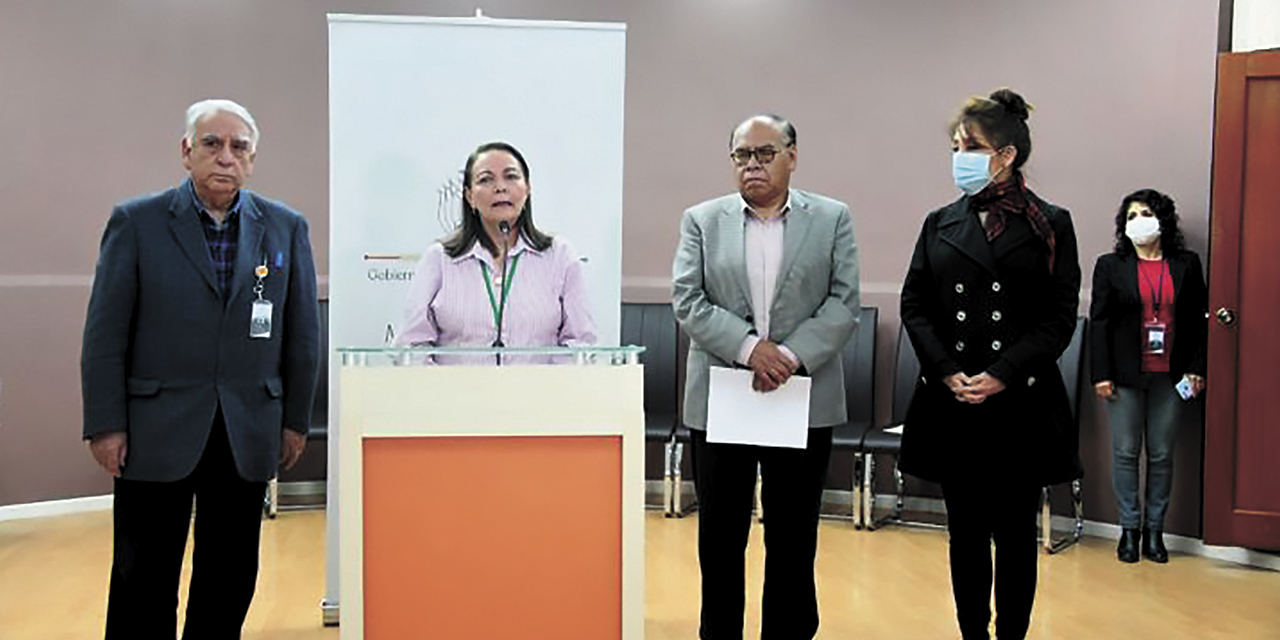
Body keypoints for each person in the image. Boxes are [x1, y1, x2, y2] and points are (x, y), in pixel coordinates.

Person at [81, 99, 320, 638]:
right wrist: (105, 423)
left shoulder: (284, 228)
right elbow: (104, 334)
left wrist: (295, 421)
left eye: (239, 148)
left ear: (252, 160)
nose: (225, 157)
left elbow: (302, 335)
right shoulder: (136, 222)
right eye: (212, 144)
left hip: (246, 430)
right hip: (154, 431)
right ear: (186, 152)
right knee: (143, 575)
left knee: (230, 575)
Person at [898, 89, 1081, 640]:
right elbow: (915, 303)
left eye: (971, 146)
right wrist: (946, 368)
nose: (961, 156)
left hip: (1018, 402)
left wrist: (1003, 372)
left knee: (1016, 534)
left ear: (1005, 154)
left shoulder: (1050, 222)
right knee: (966, 533)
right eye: (956, 146)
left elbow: (1058, 316)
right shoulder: (940, 222)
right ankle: (972, 632)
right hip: (954, 399)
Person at [672, 114, 860, 639]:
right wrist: (752, 349)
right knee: (721, 537)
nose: (752, 165)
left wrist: (790, 356)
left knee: (793, 537)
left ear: (792, 156)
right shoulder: (701, 221)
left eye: (764, 153)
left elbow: (844, 303)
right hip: (723, 397)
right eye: (741, 156)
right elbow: (688, 299)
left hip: (801, 397)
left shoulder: (832, 218)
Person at [1089, 188, 1206, 564]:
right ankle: (1129, 531)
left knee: (1161, 454)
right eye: (1132, 215)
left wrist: (1197, 368)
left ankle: (1155, 532)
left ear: (1163, 220)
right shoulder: (1110, 265)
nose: (1139, 221)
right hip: (1124, 375)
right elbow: (1100, 323)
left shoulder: (1187, 263)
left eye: (1146, 213)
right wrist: (1101, 373)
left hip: (1171, 376)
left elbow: (1199, 321)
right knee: (1125, 453)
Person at [397, 141, 596, 360]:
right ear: (470, 196)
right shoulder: (439, 259)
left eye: (511, 177)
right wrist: (444, 388)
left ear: (527, 189)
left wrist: (546, 384)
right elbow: (411, 346)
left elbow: (581, 344)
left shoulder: (560, 255)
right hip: (456, 393)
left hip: (539, 392)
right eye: (486, 179)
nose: (500, 187)